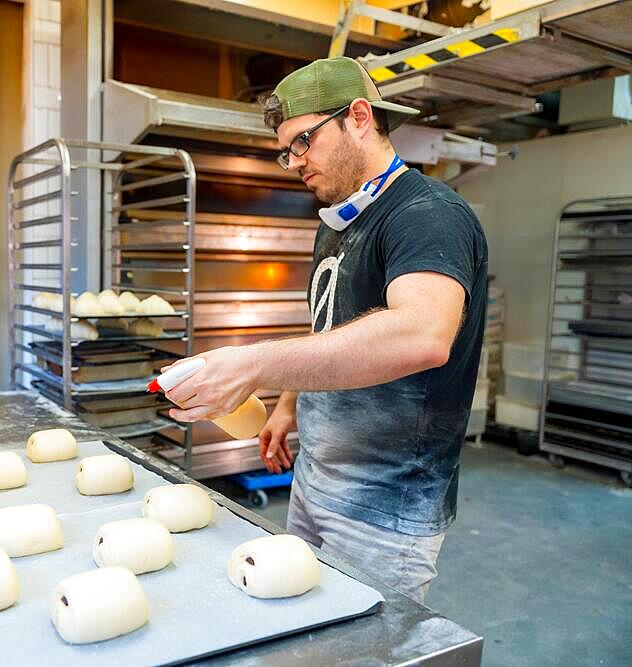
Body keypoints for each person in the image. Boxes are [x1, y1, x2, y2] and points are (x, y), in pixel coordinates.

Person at [164, 57, 488, 603]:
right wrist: (291, 400)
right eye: (286, 150)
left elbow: (422, 334)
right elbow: (333, 325)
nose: (293, 162)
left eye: (303, 141)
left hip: (384, 508)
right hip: (314, 484)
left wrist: (254, 364)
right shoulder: (340, 219)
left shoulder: (427, 214)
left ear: (359, 117)